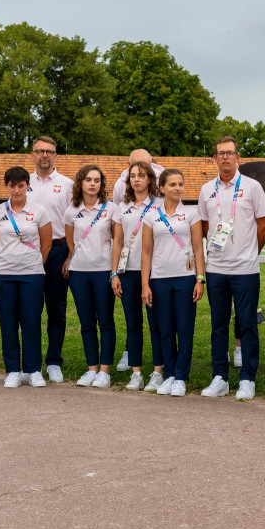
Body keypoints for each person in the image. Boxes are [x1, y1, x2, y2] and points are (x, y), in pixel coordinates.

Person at [198, 137, 265, 400]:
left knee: (247, 323)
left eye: (230, 153)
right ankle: (220, 377)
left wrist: (251, 250)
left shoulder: (252, 187)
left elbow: (264, 226)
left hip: (245, 269)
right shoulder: (206, 190)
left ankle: (248, 378)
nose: (225, 157)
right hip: (216, 268)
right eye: (220, 153)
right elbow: (205, 227)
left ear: (238, 157)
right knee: (218, 324)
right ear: (214, 159)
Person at [141, 169, 206, 397]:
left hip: (185, 279)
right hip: (158, 280)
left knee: (184, 328)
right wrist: (145, 284)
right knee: (165, 329)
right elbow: (146, 253)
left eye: (181, 184)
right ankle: (168, 374)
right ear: (162, 188)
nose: (178, 188)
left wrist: (200, 278)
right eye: (173, 185)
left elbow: (198, 248)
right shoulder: (151, 215)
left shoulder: (191, 214)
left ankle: (181, 377)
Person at [0, 166, 53, 388]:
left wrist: (32, 263)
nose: (16, 190)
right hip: (2, 274)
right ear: (6, 186)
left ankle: (33, 369)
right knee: (8, 323)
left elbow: (47, 244)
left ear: (28, 186)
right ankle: (13, 369)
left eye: (21, 185)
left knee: (31, 321)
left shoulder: (40, 211)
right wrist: (9, 260)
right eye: (12, 185)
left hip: (32, 274)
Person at [109, 160, 163, 391]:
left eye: (141, 175)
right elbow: (118, 242)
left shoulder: (160, 205)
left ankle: (159, 371)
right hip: (128, 270)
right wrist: (114, 273)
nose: (137, 179)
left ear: (150, 179)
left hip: (155, 271)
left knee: (156, 324)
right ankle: (136, 372)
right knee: (133, 323)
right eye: (133, 176)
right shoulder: (122, 207)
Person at [64, 165, 118, 389]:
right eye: (88, 179)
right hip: (78, 273)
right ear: (80, 183)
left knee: (105, 321)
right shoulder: (71, 210)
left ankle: (104, 371)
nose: (92, 184)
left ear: (101, 184)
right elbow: (70, 241)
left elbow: (117, 242)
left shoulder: (111, 209)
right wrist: (72, 260)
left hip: (104, 270)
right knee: (86, 323)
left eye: (97, 180)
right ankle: (91, 369)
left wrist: (115, 271)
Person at [29, 136, 73, 383]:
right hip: (29, 251)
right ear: (32, 155)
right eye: (40, 151)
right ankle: (32, 363)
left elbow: (72, 221)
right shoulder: (24, 183)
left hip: (57, 251)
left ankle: (54, 361)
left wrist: (70, 254)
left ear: (56, 155)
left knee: (56, 309)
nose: (45, 155)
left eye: (50, 151)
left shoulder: (67, 185)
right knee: (31, 309)